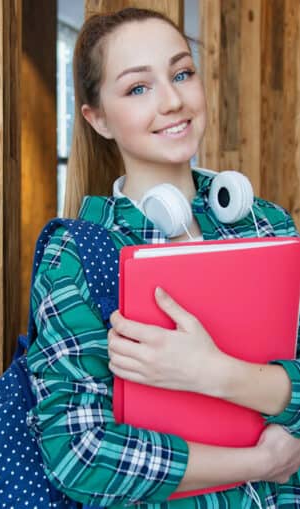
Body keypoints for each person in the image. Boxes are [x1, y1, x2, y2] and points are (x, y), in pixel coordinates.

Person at [26, 7, 300, 508]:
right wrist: (262, 463)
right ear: (98, 118)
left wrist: (214, 374)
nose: (173, 101)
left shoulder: (267, 226)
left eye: (181, 73)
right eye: (138, 88)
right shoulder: (79, 254)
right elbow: (79, 454)